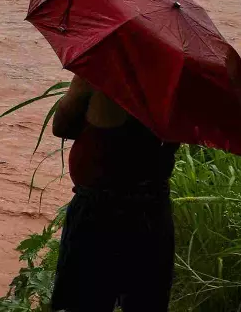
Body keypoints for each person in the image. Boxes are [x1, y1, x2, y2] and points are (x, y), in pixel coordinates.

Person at [49, 74, 179, 312]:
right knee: (147, 302)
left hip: (99, 212)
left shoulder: (101, 73)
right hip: (152, 210)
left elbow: (61, 126)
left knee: (85, 302)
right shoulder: (177, 79)